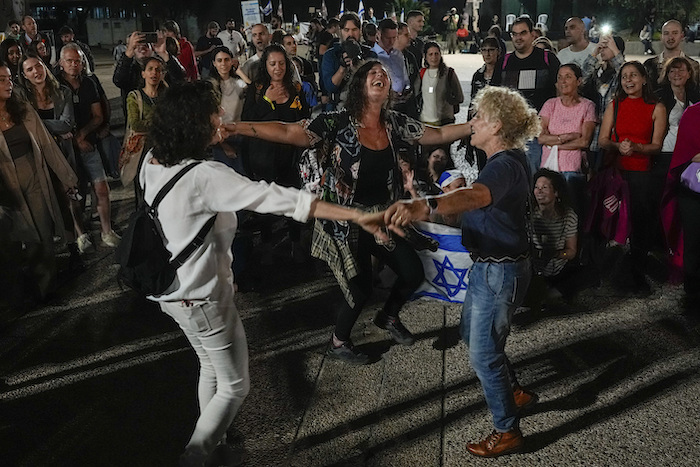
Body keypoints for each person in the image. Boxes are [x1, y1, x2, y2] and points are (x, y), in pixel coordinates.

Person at [143, 80, 386, 467]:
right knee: (237, 385)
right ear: (192, 124)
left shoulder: (153, 158)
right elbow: (282, 199)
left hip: (171, 294)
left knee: (210, 366)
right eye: (213, 113)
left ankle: (217, 441)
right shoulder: (204, 176)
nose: (220, 117)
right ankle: (195, 456)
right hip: (203, 297)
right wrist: (357, 214)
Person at [229, 60, 474, 364]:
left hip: (382, 215)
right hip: (346, 219)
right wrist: (236, 127)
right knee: (359, 290)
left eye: (384, 74)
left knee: (412, 272)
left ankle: (389, 317)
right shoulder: (336, 121)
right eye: (372, 73)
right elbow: (288, 131)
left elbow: (435, 135)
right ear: (359, 85)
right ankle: (338, 343)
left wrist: (473, 126)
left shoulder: (395, 123)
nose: (380, 75)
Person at [383, 85, 541, 458]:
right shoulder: (505, 159)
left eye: (480, 118)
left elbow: (476, 197)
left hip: (500, 272)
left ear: (498, 126)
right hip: (490, 267)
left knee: (483, 355)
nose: (473, 124)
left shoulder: (503, 164)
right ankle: (513, 391)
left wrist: (426, 206)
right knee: (473, 336)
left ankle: (507, 431)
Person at [0, 62, 79, 302]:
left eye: (10, 78)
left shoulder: (22, 109)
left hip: (33, 175)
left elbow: (46, 144)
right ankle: (13, 294)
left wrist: (67, 179)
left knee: (43, 233)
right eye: (1, 79)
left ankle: (45, 288)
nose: (8, 83)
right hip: (4, 185)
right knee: (10, 241)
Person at [598, 61, 666, 294]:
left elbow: (656, 146)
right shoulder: (614, 105)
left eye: (633, 75)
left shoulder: (656, 107)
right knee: (610, 221)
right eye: (625, 76)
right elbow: (603, 140)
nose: (628, 80)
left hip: (641, 174)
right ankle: (603, 272)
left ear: (644, 79)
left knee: (640, 224)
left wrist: (636, 147)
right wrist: (619, 146)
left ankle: (637, 273)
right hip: (617, 172)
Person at [16, 54, 86, 261]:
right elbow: (23, 127)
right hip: (37, 156)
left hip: (62, 154)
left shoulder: (62, 91)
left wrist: (38, 126)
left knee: (68, 200)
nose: (36, 71)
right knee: (45, 205)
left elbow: (67, 124)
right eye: (30, 69)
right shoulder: (21, 97)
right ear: (24, 75)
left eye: (38, 66)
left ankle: (74, 249)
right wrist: (52, 131)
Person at [58, 43, 121, 249]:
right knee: (74, 194)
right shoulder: (55, 85)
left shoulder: (89, 84)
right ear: (61, 62)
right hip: (65, 149)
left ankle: (106, 231)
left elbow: (98, 115)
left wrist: (82, 135)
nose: (74, 65)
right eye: (70, 61)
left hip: (89, 145)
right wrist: (74, 140)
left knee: (101, 188)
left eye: (78, 61)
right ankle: (81, 234)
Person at [500, 16, 560, 176]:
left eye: (523, 33)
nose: (518, 37)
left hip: (538, 132)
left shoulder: (547, 59)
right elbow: (496, 96)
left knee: (535, 177)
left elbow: (561, 91)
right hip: (510, 132)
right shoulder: (505, 62)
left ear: (532, 34)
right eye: (514, 34)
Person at [652, 57, 700, 253]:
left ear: (689, 73)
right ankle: (662, 245)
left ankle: (682, 245)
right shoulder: (660, 97)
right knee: (663, 201)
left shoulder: (696, 96)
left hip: (690, 157)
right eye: (672, 71)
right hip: (666, 154)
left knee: (685, 204)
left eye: (681, 70)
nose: (677, 74)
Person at [538, 64, 596, 217]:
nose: (563, 81)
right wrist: (566, 137)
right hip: (549, 167)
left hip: (572, 168)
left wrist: (553, 144)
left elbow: (584, 142)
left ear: (578, 81)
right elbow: (540, 137)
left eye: (568, 77)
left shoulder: (587, 106)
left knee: (571, 209)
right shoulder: (550, 105)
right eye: (560, 77)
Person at [526, 168, 579, 314]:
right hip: (534, 270)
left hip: (559, 268)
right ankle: (546, 295)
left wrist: (555, 254)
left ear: (556, 192)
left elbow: (571, 252)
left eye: (544, 187)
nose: (539, 191)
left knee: (589, 273)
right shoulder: (528, 214)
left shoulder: (568, 215)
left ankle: (549, 294)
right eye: (536, 187)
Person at [666, 102, 700, 314]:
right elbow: (686, 154)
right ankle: (693, 296)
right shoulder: (693, 113)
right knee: (694, 244)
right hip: (692, 192)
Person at [112, 31, 185, 118]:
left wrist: (164, 53)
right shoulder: (128, 68)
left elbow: (180, 79)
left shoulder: (161, 66)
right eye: (137, 45)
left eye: (146, 44)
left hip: (164, 121)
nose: (142, 47)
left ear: (152, 47)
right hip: (137, 124)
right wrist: (128, 54)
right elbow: (118, 80)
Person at [321, 12, 377, 110]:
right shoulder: (331, 55)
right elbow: (329, 87)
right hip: (337, 107)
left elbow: (375, 85)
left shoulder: (370, 54)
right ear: (340, 31)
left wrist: (359, 66)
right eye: (346, 30)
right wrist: (342, 68)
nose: (351, 34)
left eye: (354, 29)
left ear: (360, 31)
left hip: (364, 106)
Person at [644, 20, 700, 92]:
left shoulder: (694, 66)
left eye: (675, 33)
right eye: (666, 33)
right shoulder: (649, 65)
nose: (670, 37)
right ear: (661, 37)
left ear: (682, 36)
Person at [418, 41, 463, 126]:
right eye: (430, 54)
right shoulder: (421, 73)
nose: (434, 57)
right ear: (425, 57)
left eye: (436, 54)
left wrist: (447, 101)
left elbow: (459, 97)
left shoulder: (449, 73)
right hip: (425, 122)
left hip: (445, 120)